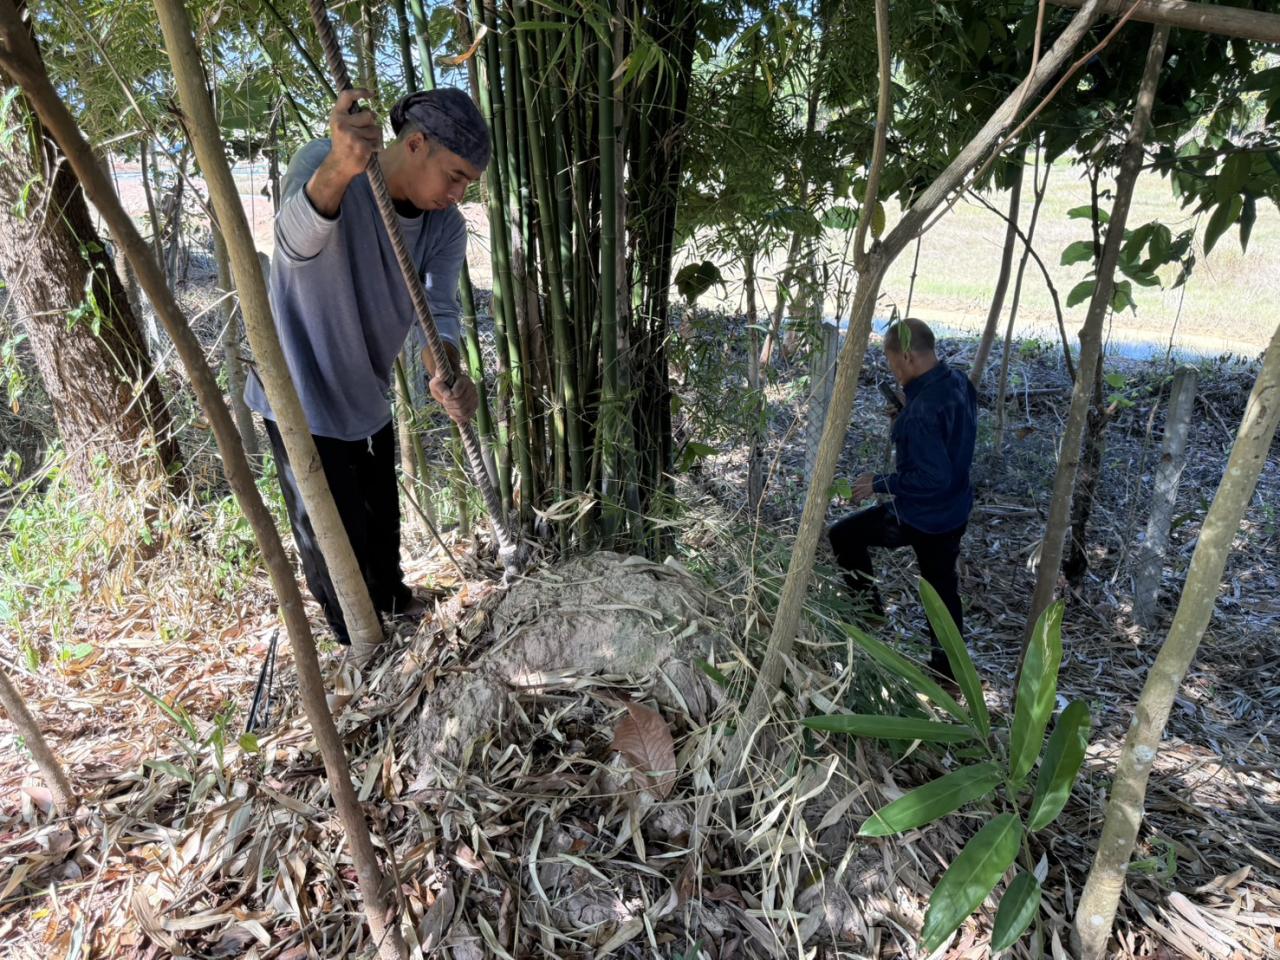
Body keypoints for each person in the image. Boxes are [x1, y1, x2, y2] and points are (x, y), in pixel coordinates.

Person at [244, 87, 486, 645]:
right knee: (337, 556)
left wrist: (445, 372)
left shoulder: (443, 228)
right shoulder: (326, 166)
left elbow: (438, 317)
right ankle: (363, 658)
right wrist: (338, 168)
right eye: (454, 176)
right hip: (299, 397)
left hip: (366, 396)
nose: (457, 194)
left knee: (384, 549)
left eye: (468, 185)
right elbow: (293, 249)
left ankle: (407, 645)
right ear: (417, 144)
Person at [827, 318, 977, 678]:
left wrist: (878, 483)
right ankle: (950, 673)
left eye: (893, 362)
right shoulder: (957, 380)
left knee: (843, 535)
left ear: (908, 357)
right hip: (955, 508)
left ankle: (868, 615)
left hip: (923, 515)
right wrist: (905, 414)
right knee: (942, 591)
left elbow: (931, 477)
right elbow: (947, 436)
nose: (892, 371)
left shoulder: (921, 413)